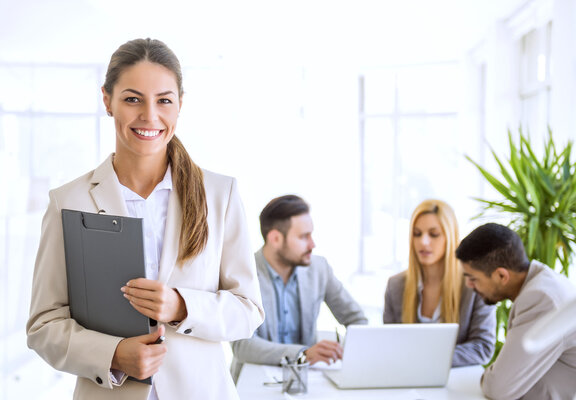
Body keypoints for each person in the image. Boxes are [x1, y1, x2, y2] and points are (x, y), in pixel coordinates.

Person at [26, 38, 264, 400]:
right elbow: (44, 326)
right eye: (132, 99)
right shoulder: (68, 202)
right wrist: (114, 355)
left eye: (164, 100)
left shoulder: (221, 195)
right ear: (107, 101)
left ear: (180, 105)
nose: (150, 116)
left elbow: (248, 311)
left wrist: (182, 306)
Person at [230, 195, 368, 381]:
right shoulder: (243, 273)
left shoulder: (319, 269)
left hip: (304, 382)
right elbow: (242, 345)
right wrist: (303, 353)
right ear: (275, 238)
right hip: (254, 381)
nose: (313, 244)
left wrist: (347, 350)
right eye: (304, 236)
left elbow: (357, 320)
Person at [456, 222, 576, 399]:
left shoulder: (541, 298)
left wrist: (491, 375)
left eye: (473, 278)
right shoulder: (542, 282)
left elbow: (497, 389)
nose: (469, 285)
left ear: (502, 275)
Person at [383, 199, 496, 367]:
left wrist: (428, 358)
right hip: (407, 383)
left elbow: (483, 347)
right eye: (417, 233)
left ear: (450, 237)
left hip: (456, 384)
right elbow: (388, 344)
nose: (424, 242)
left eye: (434, 234)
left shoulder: (475, 286)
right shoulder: (396, 285)